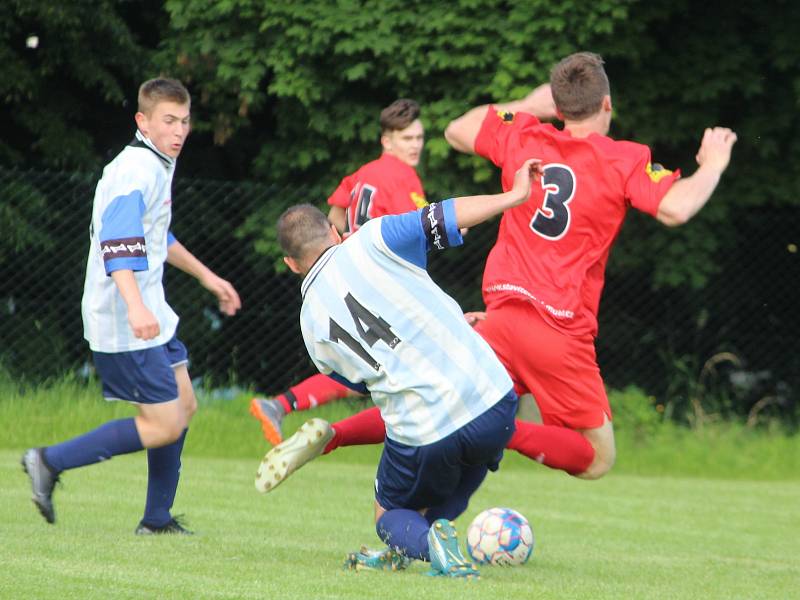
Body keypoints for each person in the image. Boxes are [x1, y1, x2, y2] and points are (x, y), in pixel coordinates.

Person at [441, 50, 737, 479]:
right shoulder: (624, 158)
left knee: (451, 422)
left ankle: (416, 509)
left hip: (500, 317)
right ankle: (496, 432)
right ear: (607, 103)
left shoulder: (524, 134)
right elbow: (677, 208)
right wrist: (712, 166)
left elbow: (456, 130)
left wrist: (528, 105)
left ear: (557, 107)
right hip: (558, 330)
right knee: (596, 458)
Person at [255, 159, 544, 576]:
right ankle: (419, 543)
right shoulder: (373, 237)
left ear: (291, 264)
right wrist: (514, 196)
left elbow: (369, 382)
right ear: (334, 232)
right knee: (454, 472)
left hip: (427, 428)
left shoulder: (310, 327)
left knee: (387, 512)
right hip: (495, 401)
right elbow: (448, 213)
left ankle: (422, 543)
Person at [21, 78, 241, 534]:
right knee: (163, 424)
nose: (179, 130)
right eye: (168, 121)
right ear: (143, 121)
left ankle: (156, 520)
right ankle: (48, 461)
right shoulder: (136, 168)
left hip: (151, 311)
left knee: (184, 405)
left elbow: (157, 235)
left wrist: (207, 277)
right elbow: (118, 243)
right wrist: (136, 307)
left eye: (184, 121)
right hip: (126, 319)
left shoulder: (158, 165)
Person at [249, 99, 427, 445]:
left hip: (356, 281)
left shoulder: (362, 173)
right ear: (386, 141)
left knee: (370, 368)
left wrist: (339, 254)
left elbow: (333, 217)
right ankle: (333, 435)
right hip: (384, 287)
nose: (416, 144)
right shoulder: (403, 176)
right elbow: (416, 230)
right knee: (392, 374)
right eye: (407, 138)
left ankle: (283, 406)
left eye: (419, 137)